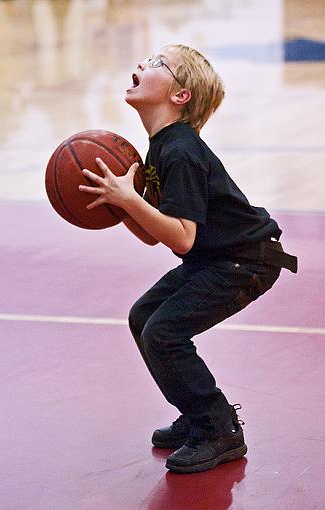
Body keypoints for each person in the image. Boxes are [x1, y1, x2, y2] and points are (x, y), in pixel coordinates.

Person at [79, 45, 297, 474]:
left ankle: (220, 430)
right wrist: (122, 207)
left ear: (180, 96)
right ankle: (196, 416)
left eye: (158, 64)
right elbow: (152, 234)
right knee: (145, 316)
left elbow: (181, 237)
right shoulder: (161, 146)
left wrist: (130, 200)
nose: (142, 63)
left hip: (244, 261)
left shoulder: (180, 151)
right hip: (216, 258)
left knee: (163, 331)